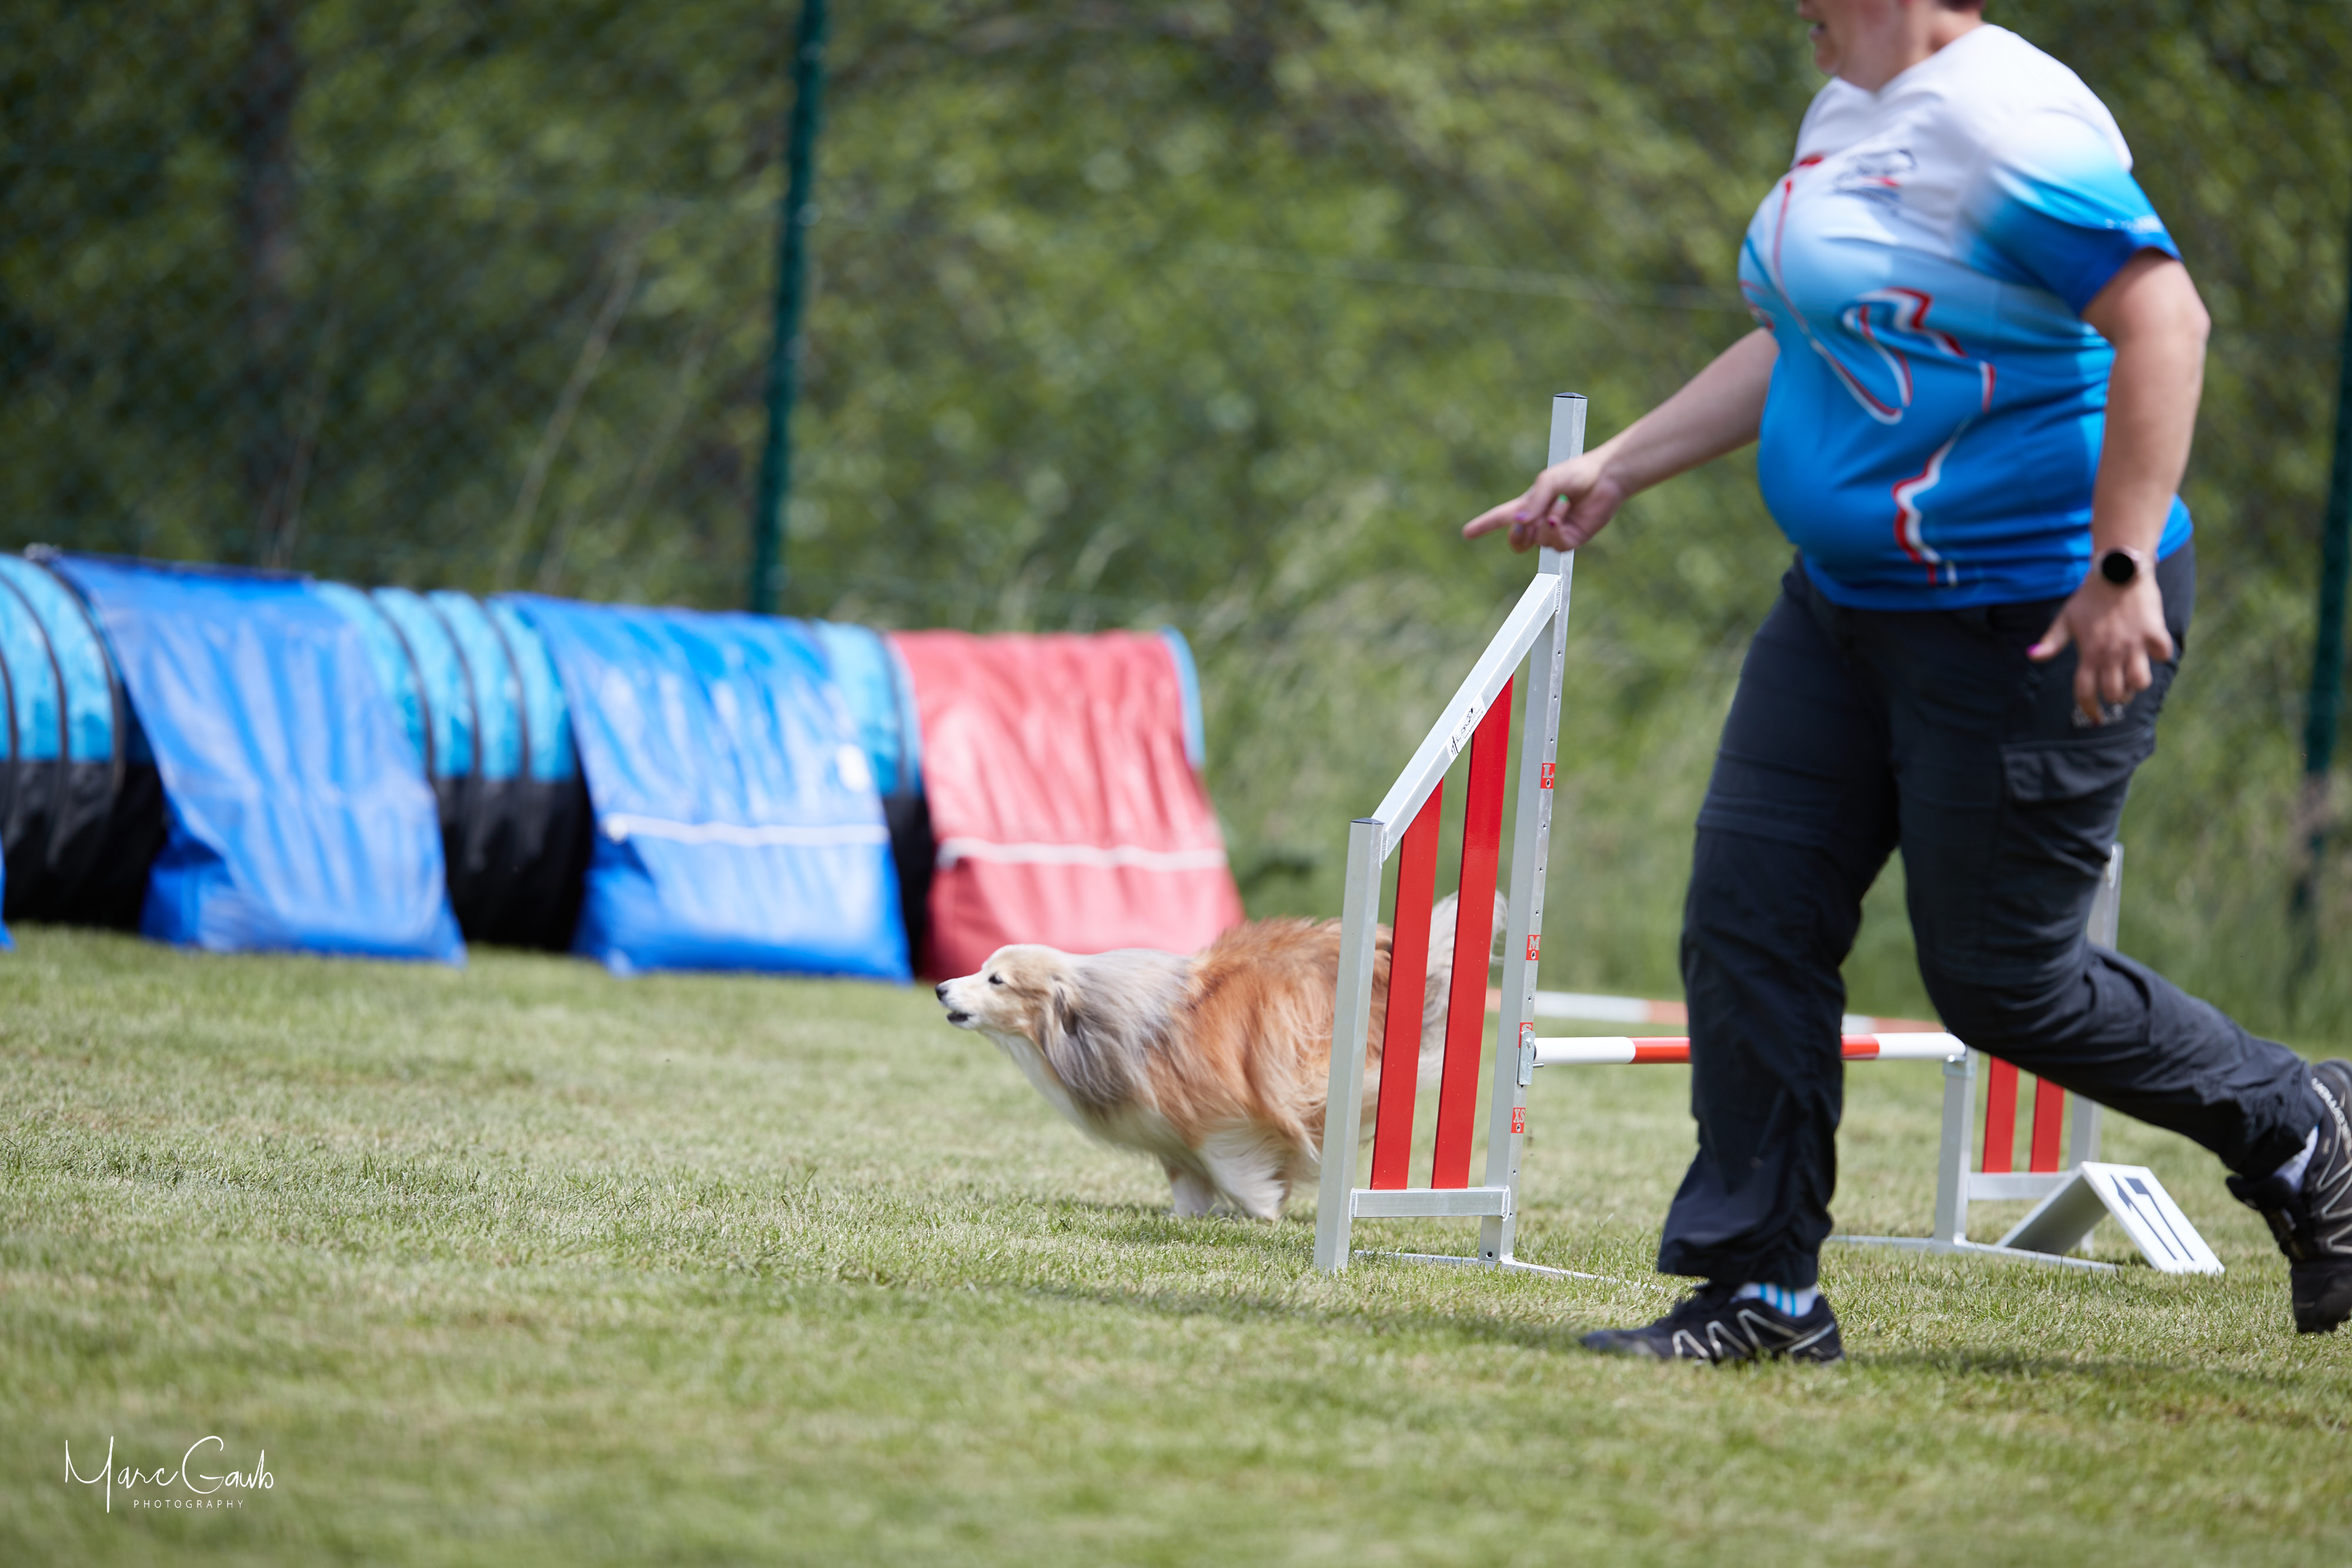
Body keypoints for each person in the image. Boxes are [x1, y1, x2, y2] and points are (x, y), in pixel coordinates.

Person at [1464, 0, 2351, 1361]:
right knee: (1747, 913)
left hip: (2026, 616)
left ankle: (2299, 1121)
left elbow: (2163, 320)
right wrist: (1621, 463)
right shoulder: (1848, 107)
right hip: (1843, 605)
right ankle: (1759, 1291)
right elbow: (1808, 334)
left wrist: (2117, 566)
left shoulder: (2005, 124)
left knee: (2001, 981)